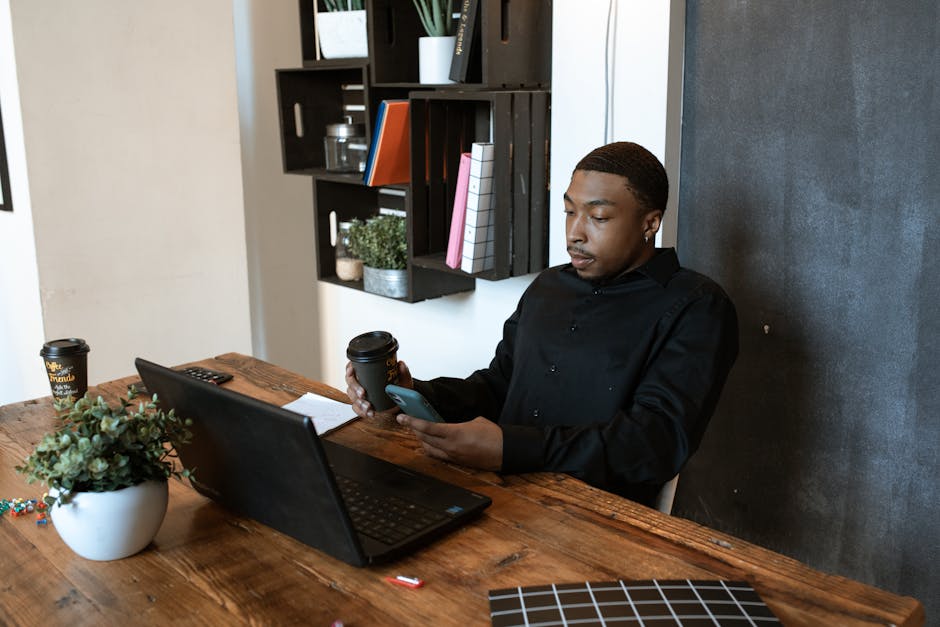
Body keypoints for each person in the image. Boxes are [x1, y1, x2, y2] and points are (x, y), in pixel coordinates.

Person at [345, 141, 738, 507]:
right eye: (569, 211)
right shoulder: (549, 286)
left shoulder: (697, 307)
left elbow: (654, 444)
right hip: (496, 493)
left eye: (598, 217)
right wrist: (413, 393)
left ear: (650, 224)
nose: (575, 233)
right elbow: (499, 385)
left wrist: (512, 448)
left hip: (591, 516)